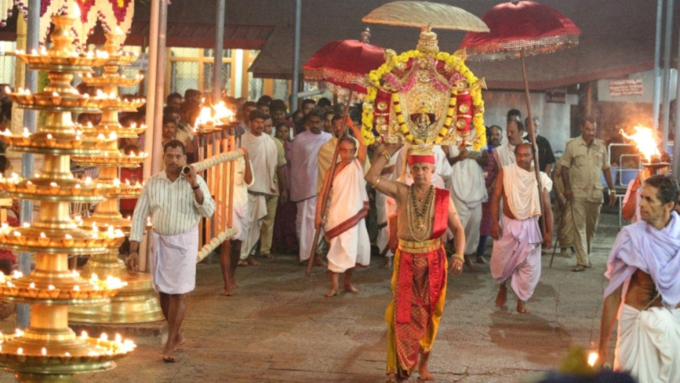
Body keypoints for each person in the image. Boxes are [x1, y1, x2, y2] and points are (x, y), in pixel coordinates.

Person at [365, 144, 465, 383]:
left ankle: (423, 366)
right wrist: (391, 150)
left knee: (430, 315)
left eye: (425, 168)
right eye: (415, 168)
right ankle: (400, 368)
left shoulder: (443, 197)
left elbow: (458, 229)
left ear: (433, 171)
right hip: (406, 260)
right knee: (400, 314)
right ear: (410, 170)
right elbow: (371, 177)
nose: (420, 173)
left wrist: (459, 255)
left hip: (434, 262)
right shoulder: (402, 192)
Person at [127, 140, 215, 362]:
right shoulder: (153, 183)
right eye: (169, 156)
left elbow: (208, 210)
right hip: (160, 241)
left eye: (178, 156)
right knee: (164, 292)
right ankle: (176, 334)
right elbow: (139, 215)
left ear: (185, 159)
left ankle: (169, 342)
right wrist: (134, 248)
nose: (173, 160)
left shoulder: (195, 181)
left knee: (178, 292)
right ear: (163, 157)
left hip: (184, 241)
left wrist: (194, 185)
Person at [597, 175, 680, 383]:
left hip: (672, 327)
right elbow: (613, 294)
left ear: (668, 205)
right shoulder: (630, 237)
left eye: (649, 200)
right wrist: (602, 348)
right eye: (642, 197)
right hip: (635, 323)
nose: (641, 204)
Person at [490, 143, 553, 314]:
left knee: (529, 266)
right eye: (519, 154)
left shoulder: (540, 178)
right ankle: (502, 288)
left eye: (526, 155)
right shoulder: (507, 171)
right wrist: (495, 223)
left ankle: (521, 299)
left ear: (533, 156)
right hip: (508, 224)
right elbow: (495, 198)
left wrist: (549, 233)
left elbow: (547, 208)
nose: (522, 158)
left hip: (530, 226)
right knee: (501, 262)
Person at [560, 116, 616, 272]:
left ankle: (586, 256)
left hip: (596, 194)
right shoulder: (572, 145)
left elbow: (606, 169)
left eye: (593, 130)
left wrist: (612, 190)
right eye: (588, 129)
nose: (591, 133)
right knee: (579, 228)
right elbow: (564, 167)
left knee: (591, 228)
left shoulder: (601, 147)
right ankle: (582, 260)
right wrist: (567, 187)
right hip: (577, 193)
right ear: (581, 128)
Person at [316, 135, 369, 297]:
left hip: (354, 215)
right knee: (336, 250)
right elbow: (324, 194)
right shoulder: (332, 169)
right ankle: (334, 286)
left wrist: (352, 125)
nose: (348, 154)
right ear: (338, 151)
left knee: (351, 250)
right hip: (337, 214)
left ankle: (347, 283)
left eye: (352, 151)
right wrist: (318, 215)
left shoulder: (357, 164)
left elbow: (364, 142)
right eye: (344, 151)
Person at [239, 110, 284, 265]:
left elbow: (274, 165)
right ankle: (240, 256)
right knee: (245, 223)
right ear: (250, 123)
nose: (260, 125)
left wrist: (271, 184)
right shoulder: (242, 140)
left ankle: (249, 253)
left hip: (262, 188)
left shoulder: (269, 141)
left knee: (257, 223)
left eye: (262, 122)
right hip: (245, 188)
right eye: (257, 122)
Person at [289, 111, 332, 265]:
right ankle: (306, 254)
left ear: (322, 122)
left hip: (322, 184)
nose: (315, 125)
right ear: (307, 123)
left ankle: (318, 254)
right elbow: (296, 166)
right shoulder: (300, 140)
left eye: (317, 122)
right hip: (305, 186)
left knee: (320, 219)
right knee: (304, 220)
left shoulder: (328, 138)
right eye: (312, 122)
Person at [447, 144, 488, 269]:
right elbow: (444, 162)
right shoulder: (450, 135)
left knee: (475, 221)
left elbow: (486, 161)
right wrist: (459, 158)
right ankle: (455, 254)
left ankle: (467, 254)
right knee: (454, 223)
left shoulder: (479, 136)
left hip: (475, 185)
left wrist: (473, 157)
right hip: (456, 183)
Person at [220, 147, 253, 296]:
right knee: (226, 243)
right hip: (224, 204)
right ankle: (226, 283)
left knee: (237, 245)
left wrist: (246, 159)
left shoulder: (244, 160)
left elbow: (249, 181)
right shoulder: (218, 160)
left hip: (241, 203)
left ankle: (232, 274)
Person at [258, 115, 288, 259]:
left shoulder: (277, 144)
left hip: (273, 187)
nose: (266, 129)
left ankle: (265, 250)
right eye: (264, 125)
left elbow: (281, 168)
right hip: (256, 188)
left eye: (269, 126)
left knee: (269, 220)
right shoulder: (250, 141)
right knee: (255, 220)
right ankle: (250, 250)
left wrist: (283, 189)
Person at [317, 115, 368, 194]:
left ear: (346, 126)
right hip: (335, 193)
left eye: (341, 125)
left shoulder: (356, 144)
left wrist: (352, 125)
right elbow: (325, 182)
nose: (338, 128)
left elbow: (364, 143)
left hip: (354, 191)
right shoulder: (325, 148)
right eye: (335, 125)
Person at [477, 125, 501, 261]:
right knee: (475, 222)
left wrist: (491, 188)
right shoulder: (480, 151)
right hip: (475, 191)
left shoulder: (499, 153)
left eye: (498, 134)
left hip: (491, 192)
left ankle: (480, 253)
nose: (494, 137)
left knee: (486, 222)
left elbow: (499, 173)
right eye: (492, 134)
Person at [552, 160, 575, 258]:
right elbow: (554, 176)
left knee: (575, 221)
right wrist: (559, 194)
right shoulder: (562, 161)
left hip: (576, 194)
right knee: (564, 221)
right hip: (563, 194)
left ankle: (573, 245)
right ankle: (564, 247)